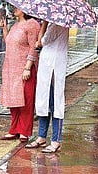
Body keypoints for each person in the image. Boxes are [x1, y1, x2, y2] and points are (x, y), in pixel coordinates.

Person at [0, 6, 40, 142]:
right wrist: (4, 28)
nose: (14, 9)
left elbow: (34, 47)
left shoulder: (32, 24)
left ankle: (24, 131)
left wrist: (28, 67)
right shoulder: (16, 25)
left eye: (17, 7)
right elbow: (9, 43)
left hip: (25, 68)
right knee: (14, 100)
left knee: (26, 100)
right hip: (12, 68)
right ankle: (14, 129)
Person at [25, 22, 69, 153]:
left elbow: (41, 42)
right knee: (44, 102)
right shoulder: (53, 23)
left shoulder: (57, 25)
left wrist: (43, 24)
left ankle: (56, 140)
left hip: (55, 67)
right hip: (47, 66)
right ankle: (41, 136)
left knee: (56, 103)